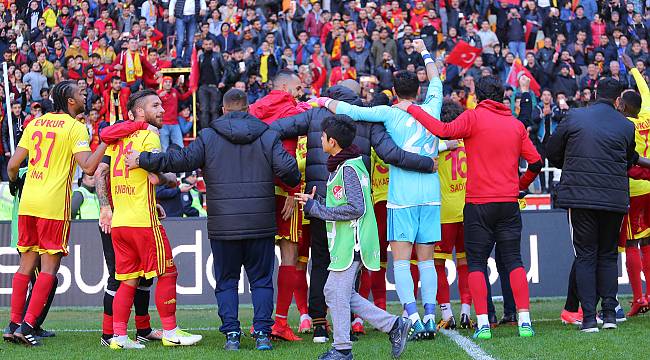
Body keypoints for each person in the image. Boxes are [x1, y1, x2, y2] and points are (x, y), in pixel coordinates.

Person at [124, 88, 300, 351]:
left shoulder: (209, 136)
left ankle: (232, 335)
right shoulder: (268, 134)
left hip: (224, 225)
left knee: (227, 281)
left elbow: (179, 160)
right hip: (260, 224)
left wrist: (143, 159)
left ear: (223, 110)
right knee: (262, 281)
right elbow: (290, 172)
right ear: (248, 109)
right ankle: (262, 332)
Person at [270, 79, 437, 343]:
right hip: (354, 203)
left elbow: (275, 130)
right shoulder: (367, 118)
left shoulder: (315, 113)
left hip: (320, 200)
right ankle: (347, 327)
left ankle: (320, 324)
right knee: (350, 265)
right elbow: (392, 154)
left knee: (322, 262)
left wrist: (287, 171)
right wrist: (426, 163)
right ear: (357, 95)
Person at [395, 75, 542, 340]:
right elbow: (536, 162)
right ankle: (525, 321)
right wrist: (520, 185)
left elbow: (441, 130)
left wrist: (413, 108)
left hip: (477, 204)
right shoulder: (515, 124)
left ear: (478, 95)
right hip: (508, 202)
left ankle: (483, 323)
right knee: (514, 261)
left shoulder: (474, 117)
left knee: (475, 263)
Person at [321, 39, 443, 339]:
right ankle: (430, 315)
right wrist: (424, 50)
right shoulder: (433, 105)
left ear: (394, 91)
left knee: (401, 260)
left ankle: (411, 318)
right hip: (431, 197)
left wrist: (322, 101)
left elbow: (351, 111)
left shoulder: (389, 114)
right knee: (426, 260)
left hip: (401, 199)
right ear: (419, 89)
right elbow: (437, 77)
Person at [3, 80, 131, 346]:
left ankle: (13, 324)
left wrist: (15, 182)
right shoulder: (75, 127)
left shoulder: (35, 123)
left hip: (28, 203)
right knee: (49, 268)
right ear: (71, 101)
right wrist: (106, 142)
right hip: (52, 205)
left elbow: (13, 164)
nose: (86, 96)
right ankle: (27, 327)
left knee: (25, 266)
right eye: (81, 94)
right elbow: (87, 167)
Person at [295, 114, 411, 360]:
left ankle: (342, 349)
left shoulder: (347, 168)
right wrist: (316, 202)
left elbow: (356, 208)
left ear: (333, 142)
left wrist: (318, 209)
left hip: (353, 243)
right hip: (350, 242)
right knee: (335, 292)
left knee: (335, 293)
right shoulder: (346, 165)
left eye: (323, 137)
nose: (320, 140)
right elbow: (345, 203)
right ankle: (393, 326)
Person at [101, 89, 202, 349]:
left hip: (121, 221)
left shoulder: (117, 139)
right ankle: (170, 331)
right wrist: (168, 178)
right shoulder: (150, 134)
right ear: (138, 112)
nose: (162, 110)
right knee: (168, 272)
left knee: (127, 280)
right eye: (155, 106)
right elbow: (155, 174)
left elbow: (106, 174)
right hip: (143, 223)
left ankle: (119, 338)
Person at [547, 76, 648, 332]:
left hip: (580, 197)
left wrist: (570, 164)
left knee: (585, 256)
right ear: (618, 100)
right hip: (613, 199)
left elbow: (552, 150)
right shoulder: (626, 126)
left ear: (594, 94)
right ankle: (610, 315)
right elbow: (627, 161)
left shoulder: (575, 117)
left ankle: (590, 318)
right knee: (607, 255)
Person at [248, 70, 308, 342]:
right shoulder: (291, 110)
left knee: (259, 257)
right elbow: (286, 153)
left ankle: (259, 321)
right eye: (298, 87)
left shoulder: (252, 110)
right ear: (284, 86)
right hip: (285, 189)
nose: (301, 91)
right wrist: (292, 190)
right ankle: (280, 322)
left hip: (257, 191)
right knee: (289, 256)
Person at [433, 99, 473, 331]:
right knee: (466, 263)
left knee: (438, 263)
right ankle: (467, 311)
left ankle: (447, 313)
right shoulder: (467, 142)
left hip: (444, 212)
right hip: (468, 209)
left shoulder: (434, 143)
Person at [619, 55, 650, 316]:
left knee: (631, 243)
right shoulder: (648, 111)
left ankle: (639, 298)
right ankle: (649, 294)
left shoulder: (623, 125)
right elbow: (645, 91)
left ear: (624, 107)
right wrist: (632, 68)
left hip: (633, 188)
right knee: (649, 240)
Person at [169, 0, 207, 66]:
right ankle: (179, 60)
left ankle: (187, 61)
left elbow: (202, 1)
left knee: (190, 41)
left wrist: (203, 8)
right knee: (180, 39)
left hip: (193, 16)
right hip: (180, 16)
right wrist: (171, 14)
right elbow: (172, 2)